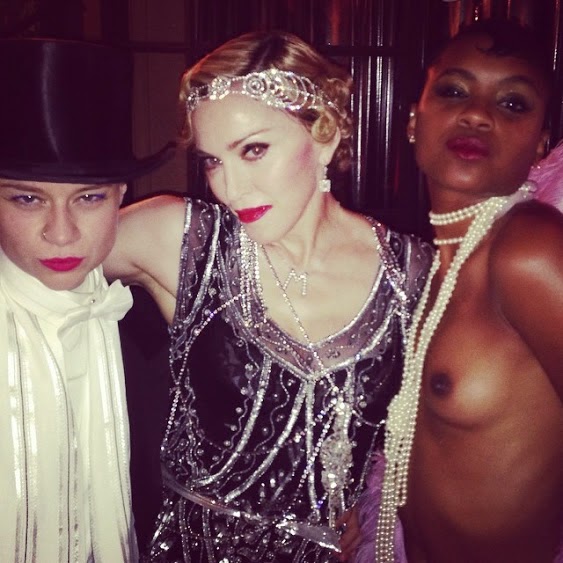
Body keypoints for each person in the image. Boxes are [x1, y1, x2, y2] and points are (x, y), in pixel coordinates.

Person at [104, 30, 433, 562]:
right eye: (212, 161)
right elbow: (43, 246)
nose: (230, 188)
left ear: (324, 134)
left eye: (253, 150)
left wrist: (385, 501)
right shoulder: (183, 240)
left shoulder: (414, 275)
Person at [355, 18, 563, 563]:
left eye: (513, 103)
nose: (477, 114)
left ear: (540, 144)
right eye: (454, 91)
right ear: (413, 120)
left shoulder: (530, 250)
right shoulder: (429, 266)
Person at [0, 38, 174, 562]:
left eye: (89, 198)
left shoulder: (152, 327)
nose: (61, 233)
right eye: (27, 198)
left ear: (121, 196)